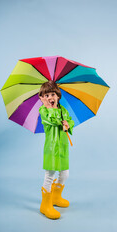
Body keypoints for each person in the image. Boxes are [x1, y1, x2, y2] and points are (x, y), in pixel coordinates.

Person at [38, 81, 74, 219]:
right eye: (46, 95)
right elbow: (51, 121)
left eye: (52, 94)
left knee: (65, 174)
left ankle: (56, 197)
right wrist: (51, 108)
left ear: (58, 95)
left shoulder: (63, 110)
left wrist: (68, 123)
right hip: (52, 148)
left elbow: (70, 120)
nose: (50, 98)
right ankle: (45, 204)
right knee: (50, 175)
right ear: (41, 98)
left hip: (63, 147)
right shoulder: (44, 110)